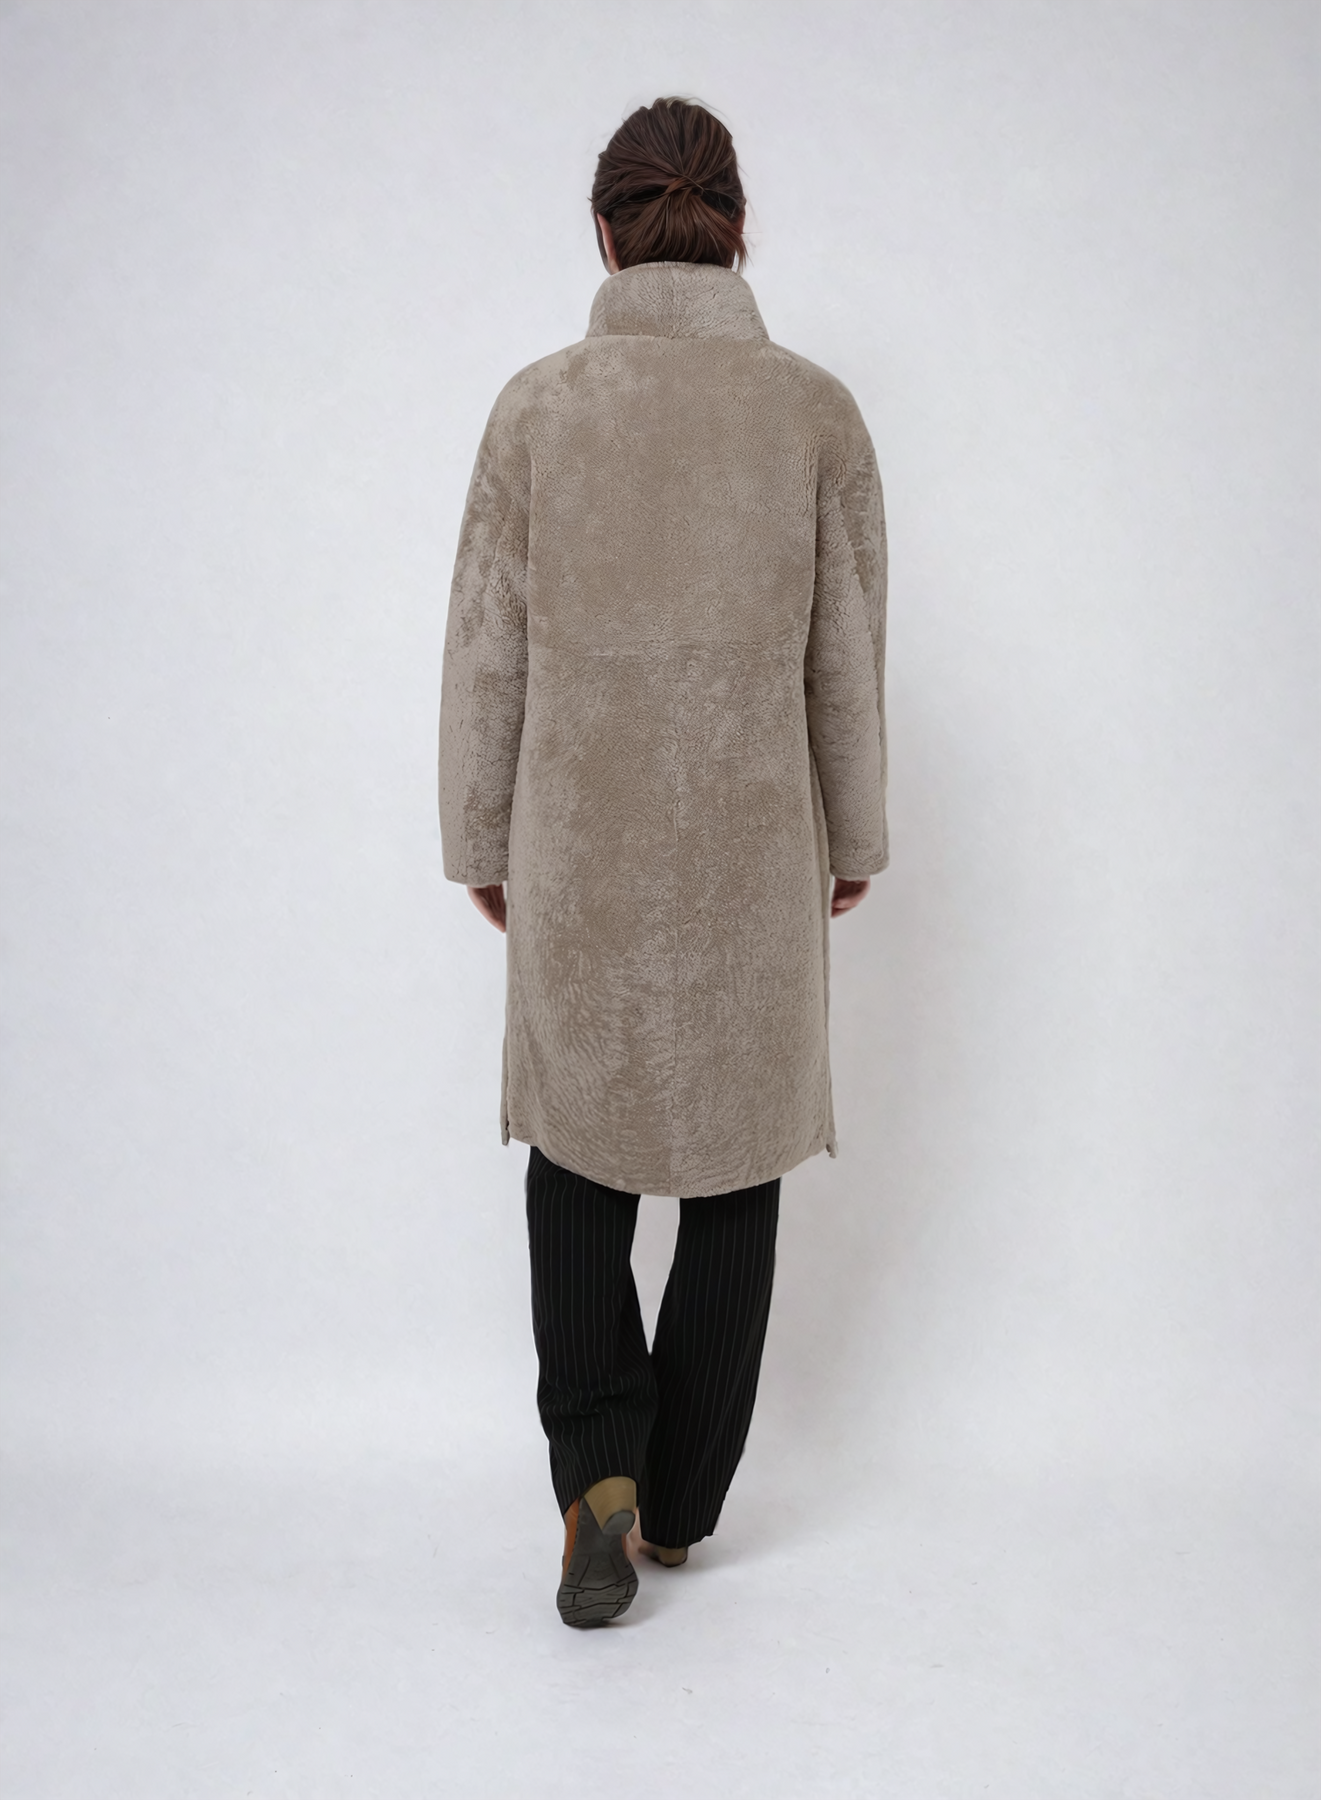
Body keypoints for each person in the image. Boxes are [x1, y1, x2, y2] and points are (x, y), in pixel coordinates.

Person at [438, 97, 887, 1628]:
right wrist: (854, 831)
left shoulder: (539, 409)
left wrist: (482, 834)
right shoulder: (813, 413)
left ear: (606, 231)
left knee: (579, 1154)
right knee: (735, 1162)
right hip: (753, 847)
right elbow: (846, 657)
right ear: (739, 228)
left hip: (579, 842)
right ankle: (685, 1503)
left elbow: (486, 650)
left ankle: (598, 1486)